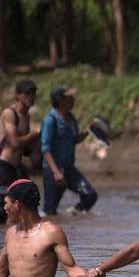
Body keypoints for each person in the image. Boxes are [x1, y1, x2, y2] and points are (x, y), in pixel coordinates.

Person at [0, 79, 40, 224]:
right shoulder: (10, 113)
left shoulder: (25, 116)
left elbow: (23, 146)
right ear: (18, 95)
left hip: (17, 167)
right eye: (27, 93)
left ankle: (23, 237)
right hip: (4, 166)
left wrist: (34, 148)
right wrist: (32, 135)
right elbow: (15, 142)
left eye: (33, 93)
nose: (31, 97)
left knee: (27, 201)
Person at [40, 84, 98, 216]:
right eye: (69, 97)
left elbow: (73, 140)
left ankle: (72, 216)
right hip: (53, 169)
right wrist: (55, 172)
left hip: (69, 168)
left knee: (90, 195)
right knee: (50, 211)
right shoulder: (50, 120)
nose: (73, 99)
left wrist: (87, 131)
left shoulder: (71, 118)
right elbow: (45, 149)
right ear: (59, 100)